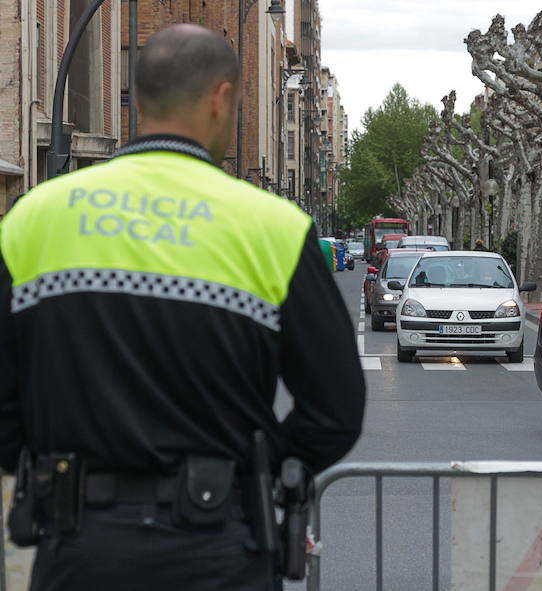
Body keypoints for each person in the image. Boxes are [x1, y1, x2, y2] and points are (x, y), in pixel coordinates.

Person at [0, 25, 365, 591]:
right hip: (217, 547)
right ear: (222, 99)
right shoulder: (274, 228)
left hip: (78, 549)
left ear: (139, 99)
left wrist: (43, 463)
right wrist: (256, 475)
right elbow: (336, 407)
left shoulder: (32, 218)